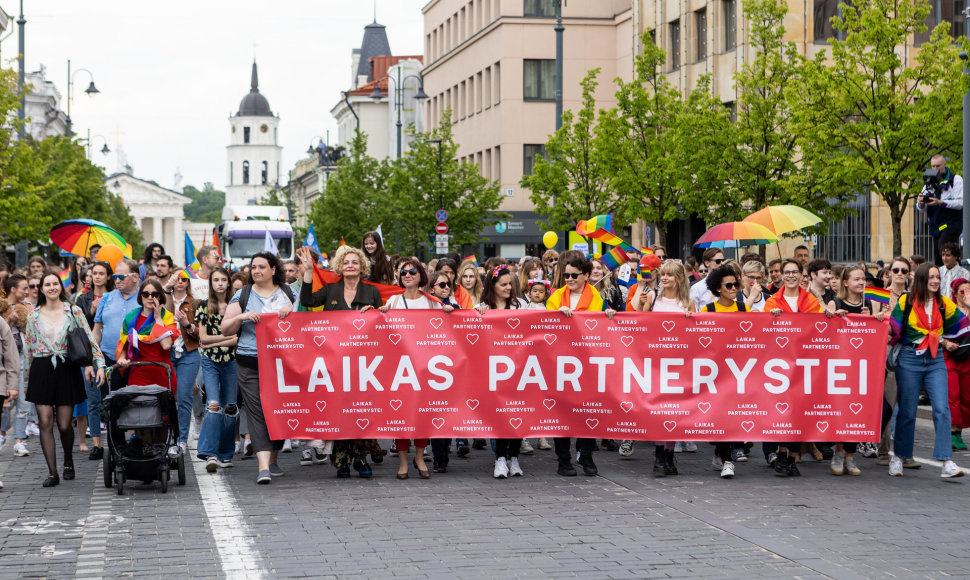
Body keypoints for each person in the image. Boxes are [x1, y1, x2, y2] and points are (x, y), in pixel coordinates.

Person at [299, 245, 383, 477]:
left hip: (362, 364)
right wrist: (308, 272)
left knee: (359, 411)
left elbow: (381, 326)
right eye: (346, 262)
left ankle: (361, 459)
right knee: (339, 411)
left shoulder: (372, 291)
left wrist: (377, 313)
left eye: (355, 262)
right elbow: (307, 299)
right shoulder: (330, 290)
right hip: (334, 362)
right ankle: (341, 461)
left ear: (362, 266)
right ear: (339, 266)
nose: (350, 265)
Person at [23, 271, 105, 487]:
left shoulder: (74, 311)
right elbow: (29, 349)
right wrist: (26, 381)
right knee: (45, 421)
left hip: (66, 369)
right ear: (41, 289)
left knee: (65, 424)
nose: (51, 287)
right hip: (42, 369)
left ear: (61, 287)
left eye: (55, 284)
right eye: (47, 284)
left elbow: (89, 339)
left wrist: (99, 364)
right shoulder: (32, 316)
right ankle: (52, 472)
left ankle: (68, 459)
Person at [889, 262, 968, 478]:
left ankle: (946, 461)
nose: (935, 281)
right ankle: (898, 456)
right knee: (907, 411)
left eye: (937, 277)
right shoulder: (906, 300)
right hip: (909, 358)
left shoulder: (943, 304)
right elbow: (894, 328)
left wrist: (968, 306)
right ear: (922, 279)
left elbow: (962, 325)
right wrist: (879, 320)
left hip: (935, 360)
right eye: (931, 277)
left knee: (942, 409)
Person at [222, 252, 295, 485]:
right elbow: (225, 328)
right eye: (253, 267)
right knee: (257, 412)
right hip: (249, 360)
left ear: (273, 269)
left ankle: (273, 458)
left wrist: (290, 313)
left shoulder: (287, 293)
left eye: (262, 267)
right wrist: (242, 316)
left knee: (281, 410)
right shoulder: (242, 294)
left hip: (282, 362)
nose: (256, 271)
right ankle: (263, 467)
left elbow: (304, 324)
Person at [379, 257, 452, 479]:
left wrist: (448, 312)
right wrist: (379, 314)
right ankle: (402, 461)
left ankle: (419, 457)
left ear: (421, 275)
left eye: (412, 271)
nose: (407, 275)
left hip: (425, 366)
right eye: (403, 272)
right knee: (401, 413)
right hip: (400, 367)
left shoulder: (431, 302)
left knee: (422, 415)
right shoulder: (393, 301)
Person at [546, 255, 616, 477]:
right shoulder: (556, 298)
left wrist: (609, 315)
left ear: (586, 276)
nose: (569, 279)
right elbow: (544, 325)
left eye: (574, 275)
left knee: (588, 409)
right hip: (560, 363)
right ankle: (563, 459)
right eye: (566, 275)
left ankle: (586, 454)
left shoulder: (597, 298)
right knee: (562, 412)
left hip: (587, 363)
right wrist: (557, 316)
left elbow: (603, 329)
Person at [764, 259, 833, 476]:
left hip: (805, 363)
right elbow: (762, 329)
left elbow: (820, 325)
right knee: (783, 412)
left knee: (800, 412)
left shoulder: (811, 300)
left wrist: (830, 313)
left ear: (801, 274)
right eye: (787, 272)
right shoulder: (773, 301)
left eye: (795, 272)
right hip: (780, 366)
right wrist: (770, 318)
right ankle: (782, 454)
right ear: (781, 276)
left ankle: (792, 456)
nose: (791, 276)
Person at [631, 261, 696, 473]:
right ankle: (659, 454)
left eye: (669, 275)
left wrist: (691, 320)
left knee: (674, 411)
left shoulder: (688, 302)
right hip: (655, 361)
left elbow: (696, 333)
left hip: (679, 363)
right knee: (658, 410)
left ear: (679, 278)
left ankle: (669, 454)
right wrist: (641, 306)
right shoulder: (652, 297)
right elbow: (639, 324)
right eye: (663, 274)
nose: (664, 278)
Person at [826, 265, 880, 476]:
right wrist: (834, 316)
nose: (861, 282)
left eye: (863, 279)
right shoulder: (836, 302)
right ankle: (838, 452)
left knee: (859, 411)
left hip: (865, 366)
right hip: (841, 365)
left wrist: (873, 319)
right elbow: (826, 332)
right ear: (845, 282)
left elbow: (883, 332)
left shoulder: (871, 303)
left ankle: (850, 456)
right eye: (856, 279)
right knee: (843, 410)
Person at [475, 265, 527, 478]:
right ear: (492, 286)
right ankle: (499, 459)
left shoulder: (520, 305)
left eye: (510, 284)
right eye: (503, 284)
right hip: (492, 370)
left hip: (517, 368)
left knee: (516, 414)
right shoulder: (482, 307)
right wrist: (476, 315)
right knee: (498, 416)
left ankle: (514, 458)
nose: (508, 288)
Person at [195, 268, 239, 472]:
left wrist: (215, 342)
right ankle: (209, 453)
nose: (220, 283)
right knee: (213, 405)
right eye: (216, 280)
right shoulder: (203, 305)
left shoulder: (236, 306)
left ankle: (226, 453)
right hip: (210, 361)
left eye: (223, 280)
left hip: (231, 360)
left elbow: (239, 337)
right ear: (211, 283)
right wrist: (229, 339)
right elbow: (203, 339)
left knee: (230, 407)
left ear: (228, 283)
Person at [73, 261, 114, 460]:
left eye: (101, 273)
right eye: (94, 273)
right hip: (89, 353)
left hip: (111, 351)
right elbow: (80, 328)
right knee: (93, 398)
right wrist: (92, 312)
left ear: (108, 276)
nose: (96, 277)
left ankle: (116, 439)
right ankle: (96, 443)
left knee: (113, 396)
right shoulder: (83, 299)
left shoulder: (114, 296)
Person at [115, 279, 179, 391]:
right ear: (141, 296)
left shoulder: (166, 316)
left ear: (160, 297)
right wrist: (121, 359)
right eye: (145, 294)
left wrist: (158, 319)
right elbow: (124, 345)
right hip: (139, 371)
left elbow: (166, 345)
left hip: (162, 372)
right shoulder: (130, 317)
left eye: (154, 294)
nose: (150, 297)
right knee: (136, 407)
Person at [164, 271, 201, 449]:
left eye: (183, 279)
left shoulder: (195, 302)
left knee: (184, 397)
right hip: (167, 353)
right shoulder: (165, 300)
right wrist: (166, 289)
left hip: (189, 353)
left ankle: (181, 440)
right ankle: (168, 435)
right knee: (167, 397)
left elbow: (202, 334)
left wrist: (187, 324)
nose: (180, 282)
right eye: (177, 279)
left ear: (188, 282)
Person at [93, 259, 141, 391]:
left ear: (136, 277)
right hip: (108, 359)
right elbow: (96, 332)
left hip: (137, 361)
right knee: (111, 404)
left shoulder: (144, 299)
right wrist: (94, 360)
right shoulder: (106, 298)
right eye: (115, 277)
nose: (117, 281)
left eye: (121, 277)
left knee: (135, 405)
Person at [917, 154, 964, 266]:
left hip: (951, 223)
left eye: (938, 166)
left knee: (944, 250)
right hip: (936, 225)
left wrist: (941, 202)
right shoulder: (929, 182)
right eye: (933, 166)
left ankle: (957, 274)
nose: (935, 169)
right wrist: (921, 202)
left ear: (944, 165)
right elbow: (920, 208)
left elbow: (960, 203)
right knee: (939, 257)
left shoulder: (956, 180)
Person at [946, 278, 970, 451]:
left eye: (969, 291)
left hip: (967, 358)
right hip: (951, 356)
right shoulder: (950, 311)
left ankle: (959, 431)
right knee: (953, 395)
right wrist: (945, 343)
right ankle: (953, 432)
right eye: (963, 291)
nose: (966, 294)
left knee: (966, 396)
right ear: (955, 294)